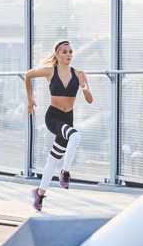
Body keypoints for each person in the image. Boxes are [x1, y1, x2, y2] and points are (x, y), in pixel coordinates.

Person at [25, 40, 93, 211]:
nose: (68, 55)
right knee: (75, 136)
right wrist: (30, 99)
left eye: (70, 51)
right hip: (53, 117)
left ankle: (39, 194)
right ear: (56, 55)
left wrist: (84, 87)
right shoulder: (49, 72)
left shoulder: (79, 74)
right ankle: (66, 172)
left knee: (53, 160)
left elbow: (90, 100)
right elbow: (28, 75)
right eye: (64, 52)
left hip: (67, 118)